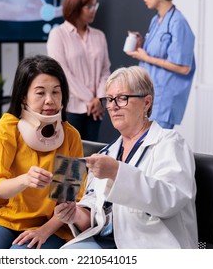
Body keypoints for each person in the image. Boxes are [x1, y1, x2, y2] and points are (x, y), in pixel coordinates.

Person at [54, 66, 198, 248]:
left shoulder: (170, 143)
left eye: (122, 98)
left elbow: (169, 200)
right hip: (107, 242)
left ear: (146, 103)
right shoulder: (109, 152)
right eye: (110, 99)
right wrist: (74, 214)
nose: (113, 106)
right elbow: (95, 213)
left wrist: (117, 171)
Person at [0, 54, 85, 249]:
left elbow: (67, 200)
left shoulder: (70, 136)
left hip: (48, 224)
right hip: (3, 217)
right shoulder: (8, 128)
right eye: (40, 93)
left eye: (56, 92)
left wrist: (44, 231)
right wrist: (25, 180)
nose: (50, 100)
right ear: (24, 96)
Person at [125, 0, 196, 129]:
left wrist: (147, 58)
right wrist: (142, 48)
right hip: (150, 95)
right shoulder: (156, 20)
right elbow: (156, 53)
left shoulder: (178, 22)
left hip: (164, 100)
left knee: (157, 147)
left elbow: (184, 67)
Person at [47, 0, 111, 141]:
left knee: (92, 156)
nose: (93, 11)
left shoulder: (99, 36)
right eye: (89, 7)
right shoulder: (58, 35)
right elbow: (62, 73)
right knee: (71, 158)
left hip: (95, 109)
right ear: (75, 7)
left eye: (95, 6)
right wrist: (90, 99)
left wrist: (99, 98)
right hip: (72, 108)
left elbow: (105, 70)